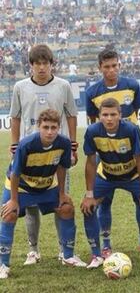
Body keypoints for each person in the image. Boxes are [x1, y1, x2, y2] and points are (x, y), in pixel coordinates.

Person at [9, 44, 78, 265]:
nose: (41, 68)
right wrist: (14, 143)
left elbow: (72, 115)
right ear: (30, 65)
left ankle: (63, 251)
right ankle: (33, 250)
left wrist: (73, 144)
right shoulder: (20, 87)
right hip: (29, 154)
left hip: (56, 154)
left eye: (45, 63)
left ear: (51, 65)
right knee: (30, 205)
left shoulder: (63, 85)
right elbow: (16, 117)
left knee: (62, 200)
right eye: (36, 63)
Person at [0, 109, 86, 279]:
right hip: (21, 187)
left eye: (53, 127)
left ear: (58, 128)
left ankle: (68, 256)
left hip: (47, 185)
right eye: (45, 127)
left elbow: (62, 168)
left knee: (67, 208)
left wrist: (62, 193)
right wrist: (14, 201)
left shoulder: (64, 143)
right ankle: (3, 264)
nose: (49, 131)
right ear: (38, 126)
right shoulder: (26, 144)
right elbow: (15, 174)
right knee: (9, 214)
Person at [80, 98, 140, 268]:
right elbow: (91, 163)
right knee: (88, 207)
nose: (109, 118)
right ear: (99, 116)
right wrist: (89, 194)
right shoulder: (92, 131)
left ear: (120, 116)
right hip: (106, 175)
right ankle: (97, 254)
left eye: (113, 114)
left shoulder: (131, 129)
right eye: (105, 115)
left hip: (132, 175)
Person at [85, 49, 140, 257]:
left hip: (130, 149)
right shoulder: (92, 92)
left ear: (119, 65)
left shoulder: (132, 86)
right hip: (107, 156)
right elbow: (93, 123)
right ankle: (105, 244)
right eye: (107, 67)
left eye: (114, 66)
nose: (111, 70)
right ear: (100, 68)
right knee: (104, 201)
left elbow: (136, 113)